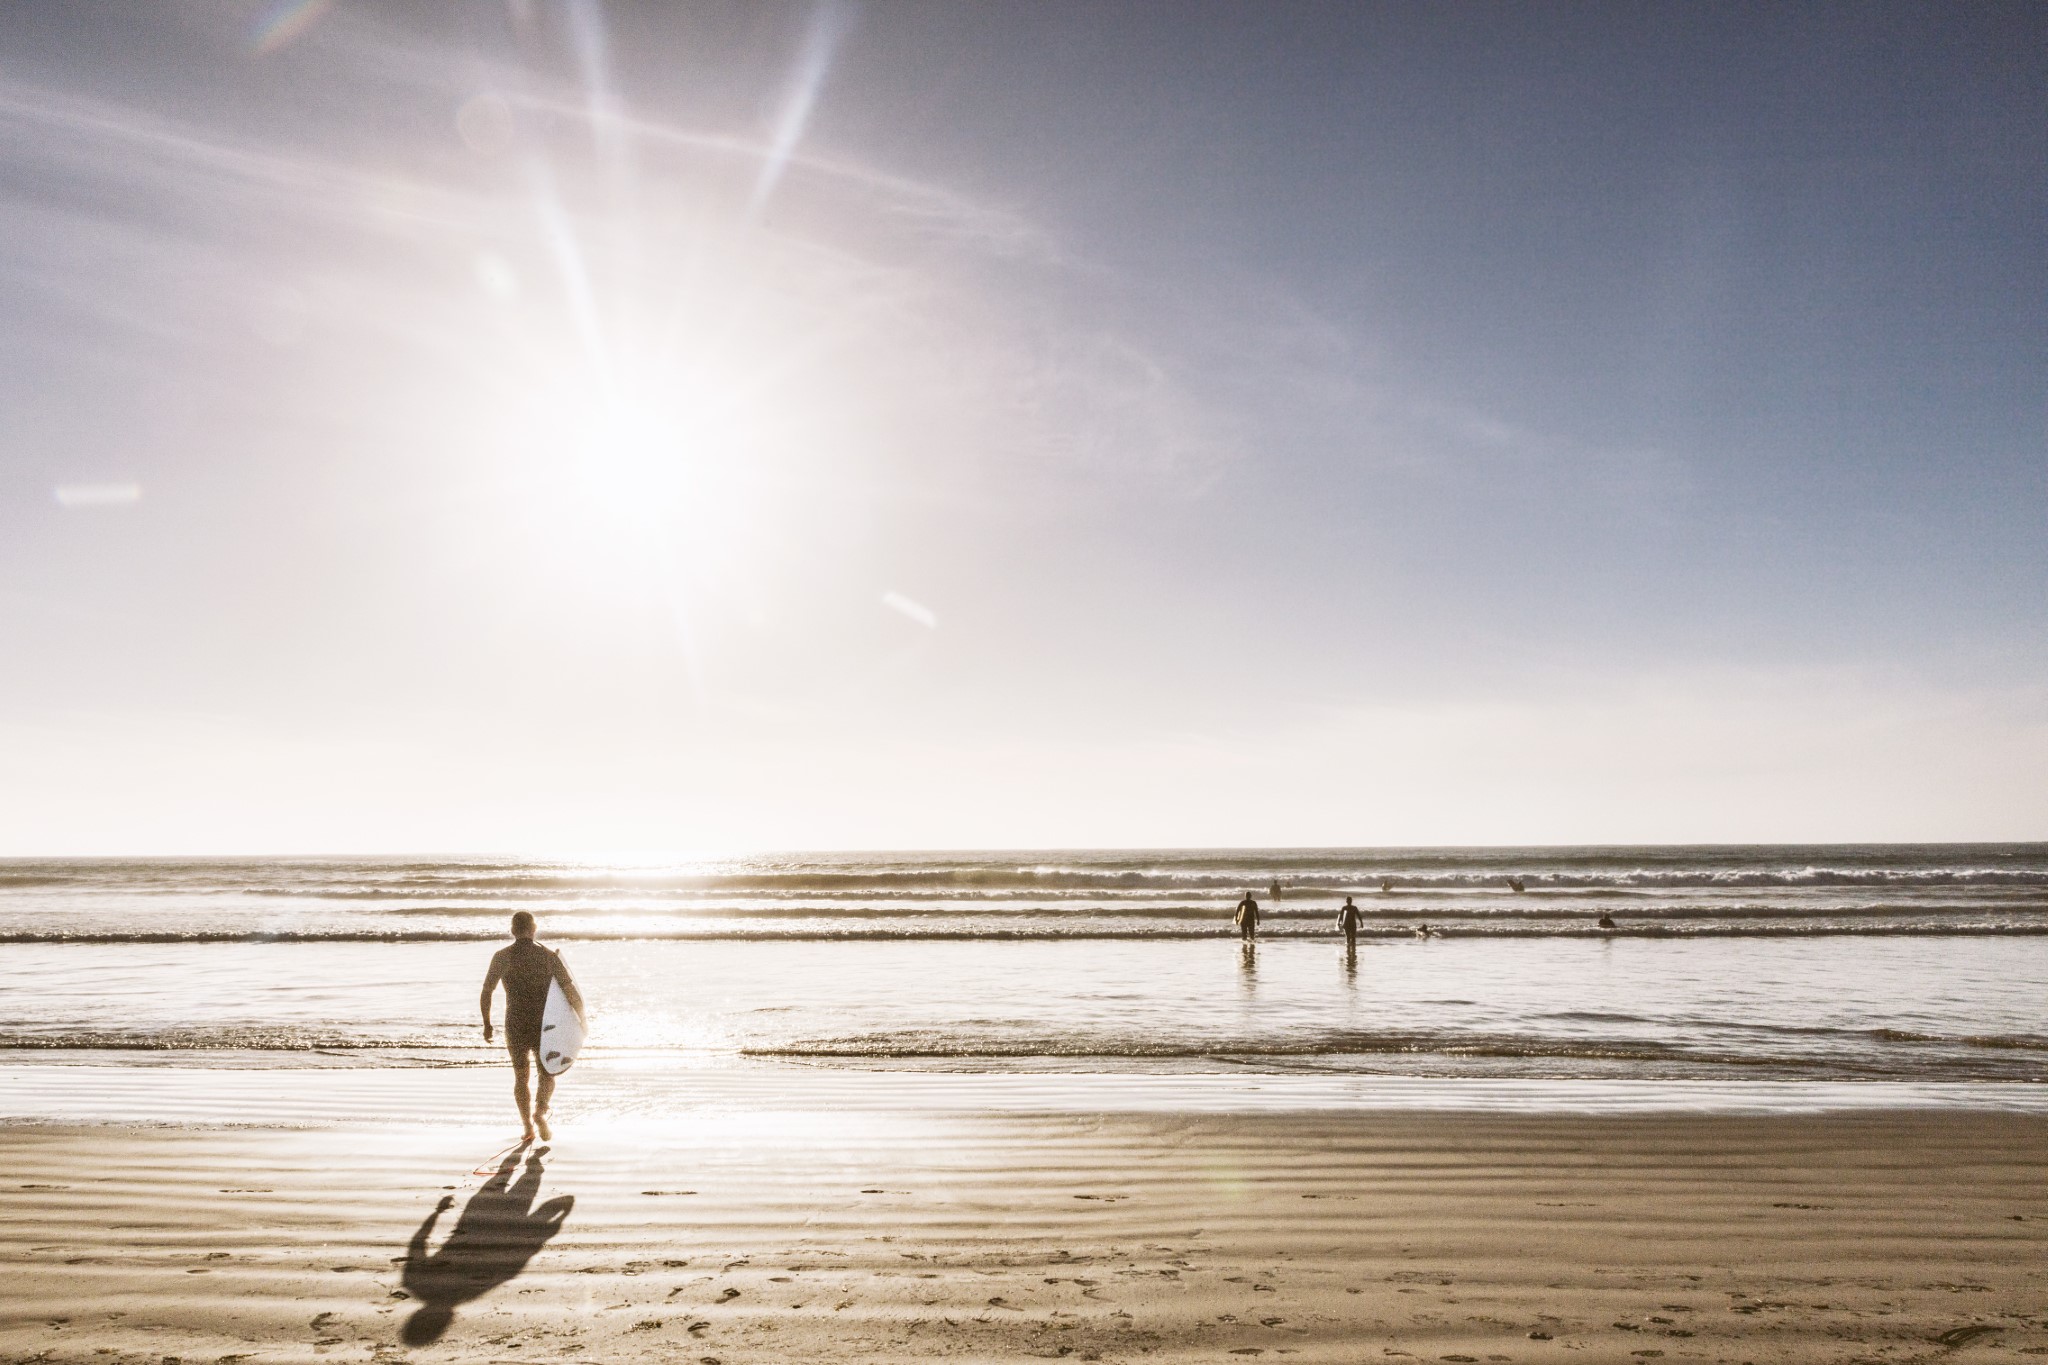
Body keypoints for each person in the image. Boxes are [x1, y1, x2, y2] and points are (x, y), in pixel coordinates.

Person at [480, 911, 584, 1143]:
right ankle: (540, 1110)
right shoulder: (548, 956)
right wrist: (582, 1019)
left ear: (512, 930)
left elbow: (487, 991)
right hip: (544, 1024)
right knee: (547, 1071)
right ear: (533, 928)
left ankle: (527, 1127)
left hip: (515, 1021)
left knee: (520, 1076)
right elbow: (569, 990)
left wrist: (487, 1024)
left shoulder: (502, 957)